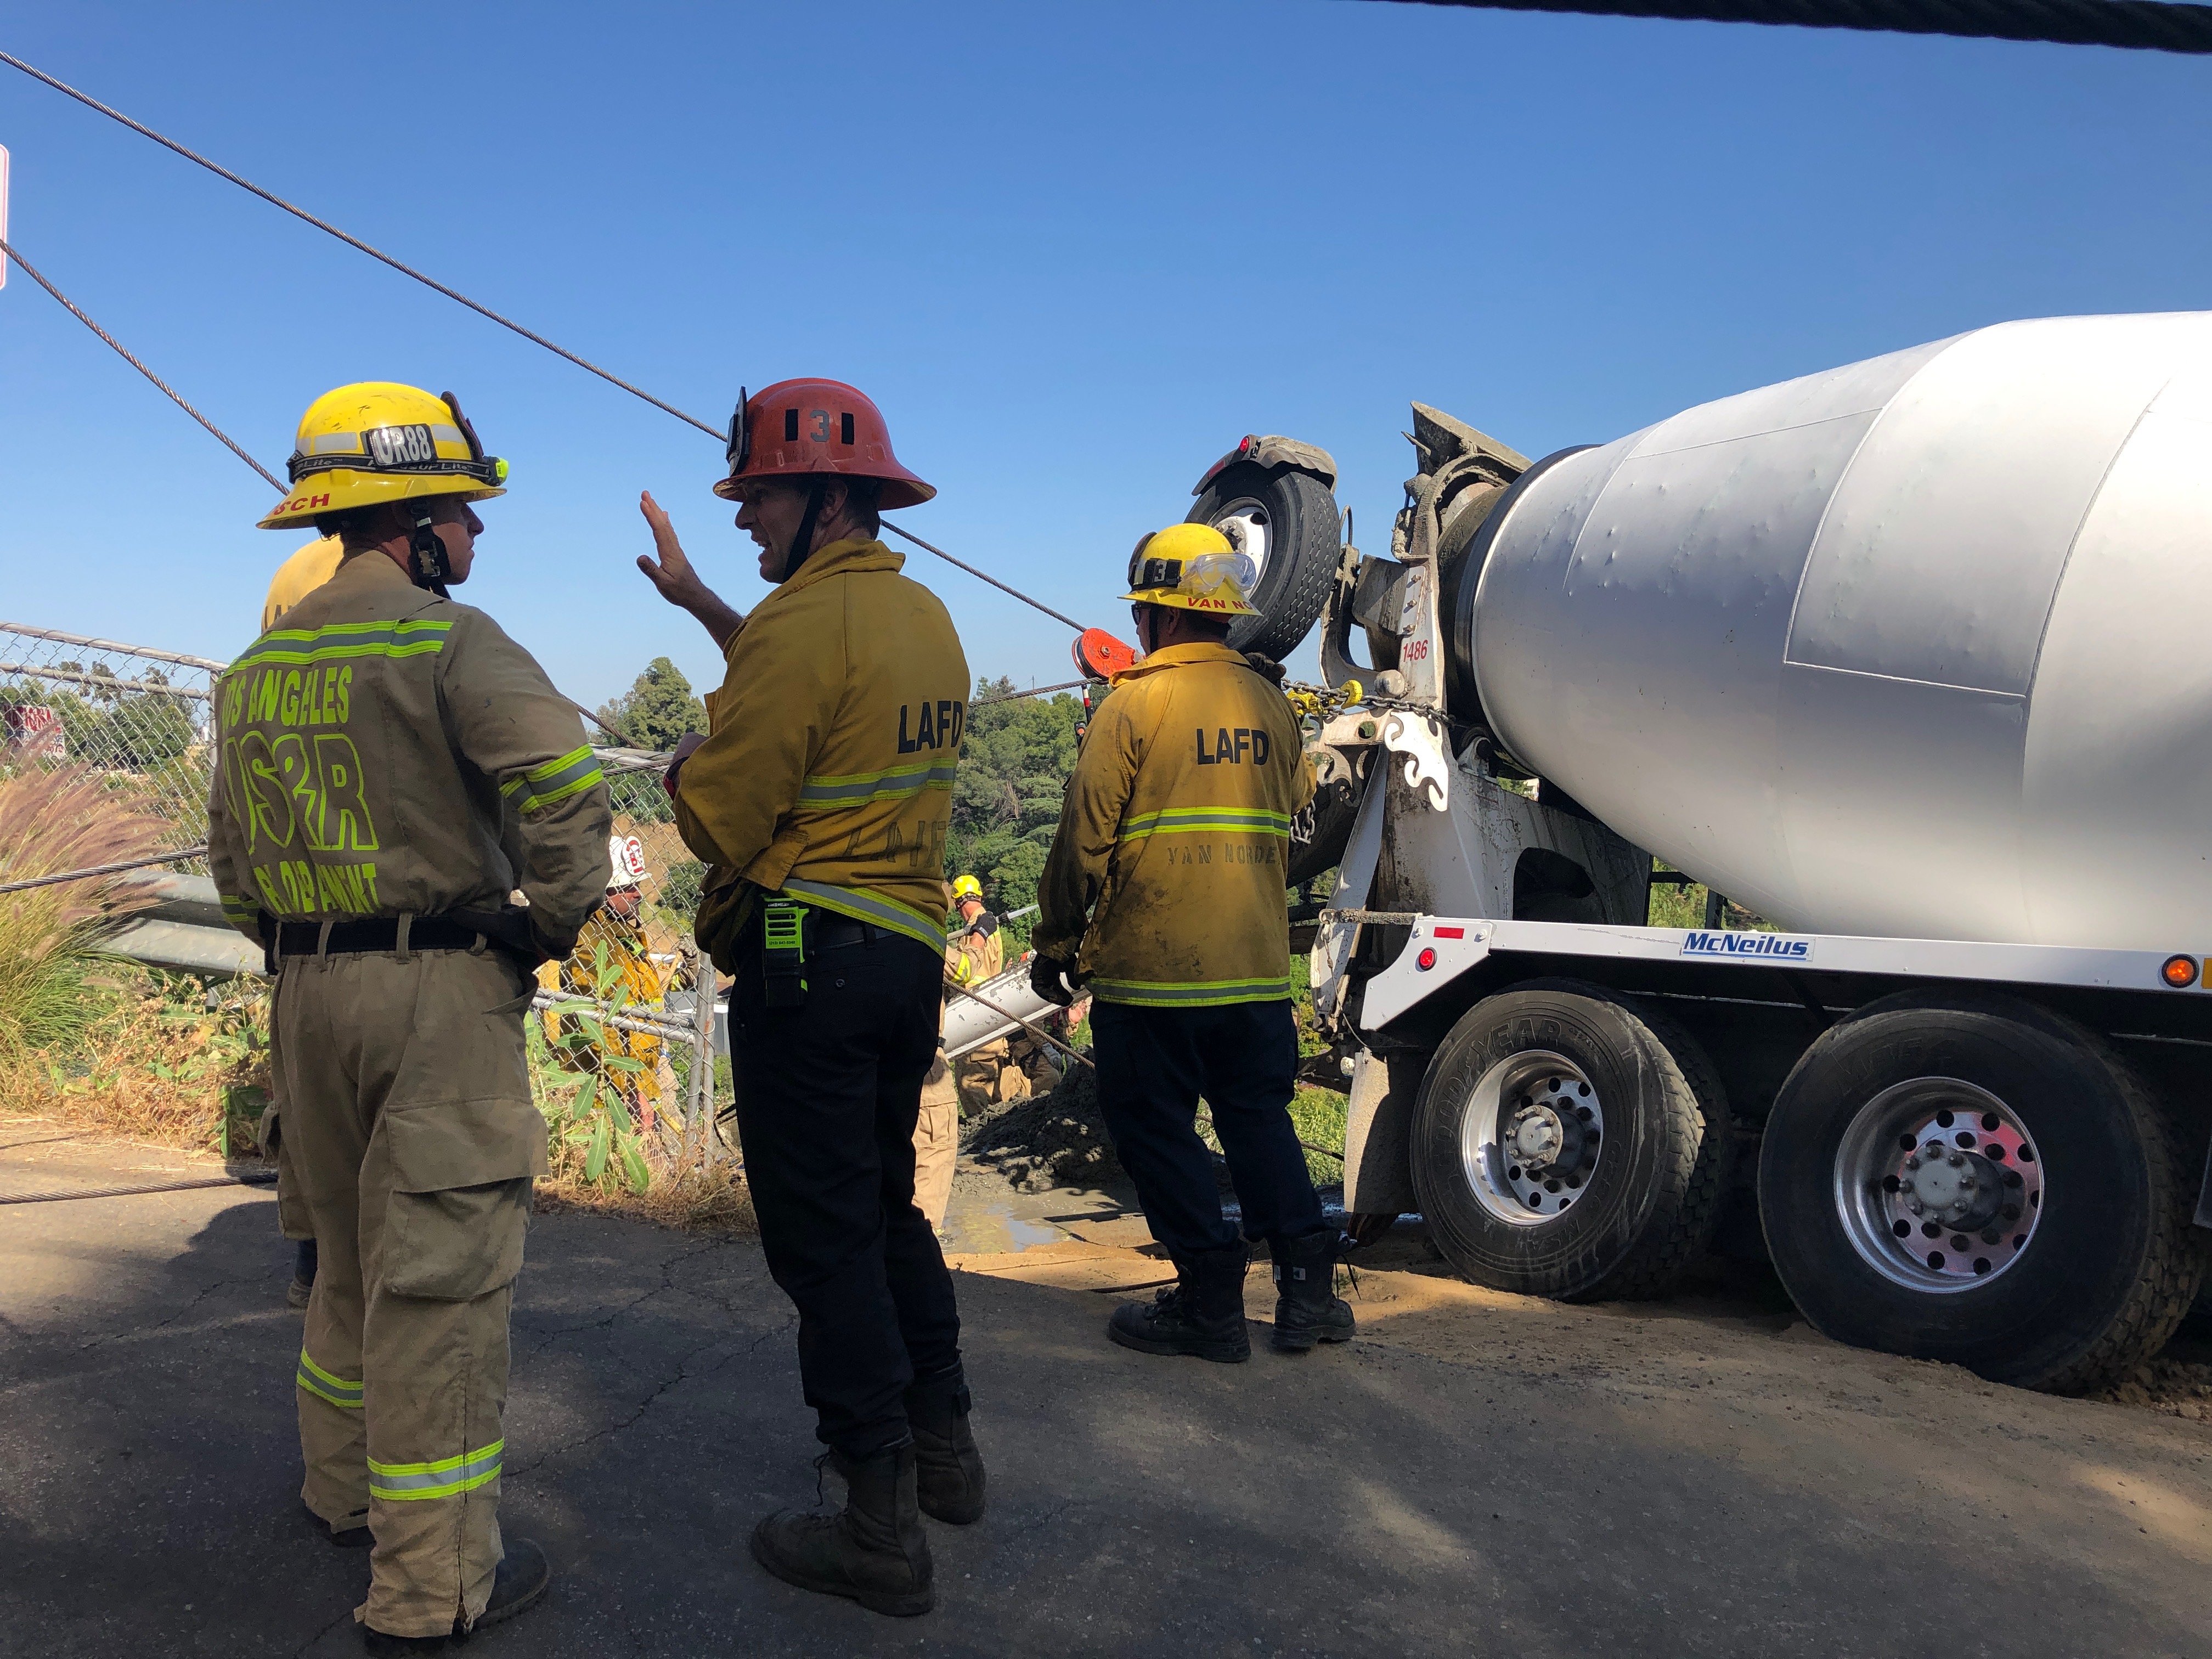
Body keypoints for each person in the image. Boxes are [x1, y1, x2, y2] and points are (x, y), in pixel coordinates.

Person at [208, 381, 611, 1654]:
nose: (478, 541)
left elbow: (229, 861)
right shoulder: (453, 642)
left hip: (304, 990)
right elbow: (563, 788)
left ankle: (340, 1493)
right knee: (440, 1284)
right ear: (416, 522)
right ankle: (430, 1586)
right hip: (435, 990)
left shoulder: (260, 666)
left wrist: (299, 947)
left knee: (345, 1251)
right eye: (466, 515)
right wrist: (544, 919)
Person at [637, 378, 980, 1617]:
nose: (742, 520)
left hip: (802, 952)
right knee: (886, 1210)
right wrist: (700, 606)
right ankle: (945, 1453)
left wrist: (686, 768)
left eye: (760, 496)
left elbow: (726, 814)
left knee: (823, 1243)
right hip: (899, 957)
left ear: (826, 497)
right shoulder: (922, 619)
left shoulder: (798, 628)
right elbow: (821, 699)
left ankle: (877, 1526)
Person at [1031, 522, 1353, 1363]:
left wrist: (1058, 941)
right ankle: (1307, 1293)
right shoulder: (1271, 704)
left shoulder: (1133, 703)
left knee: (1154, 1131)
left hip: (1153, 978)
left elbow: (1081, 845)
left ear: (1157, 615)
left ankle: (1209, 1301)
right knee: (1259, 1123)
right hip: (1251, 970)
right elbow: (1297, 802)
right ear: (1222, 613)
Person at [256, 537, 346, 1310]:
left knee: (312, 1110)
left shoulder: (291, 578)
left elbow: (232, 846)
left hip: (297, 935)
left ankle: (314, 1267)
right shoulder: (427, 637)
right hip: (407, 944)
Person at [537, 834, 682, 1123]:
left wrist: (682, 975)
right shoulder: (590, 944)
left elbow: (642, 989)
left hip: (639, 1073)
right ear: (603, 893)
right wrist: (629, 1091)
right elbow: (602, 1030)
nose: (638, 893)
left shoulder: (621, 932)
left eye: (637, 885)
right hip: (606, 1089)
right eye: (628, 887)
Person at [945, 874, 1015, 1113]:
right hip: (993, 1021)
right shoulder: (989, 925)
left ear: (957, 903)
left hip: (973, 1018)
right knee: (994, 1091)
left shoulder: (974, 931)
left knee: (972, 1086)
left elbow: (964, 973)